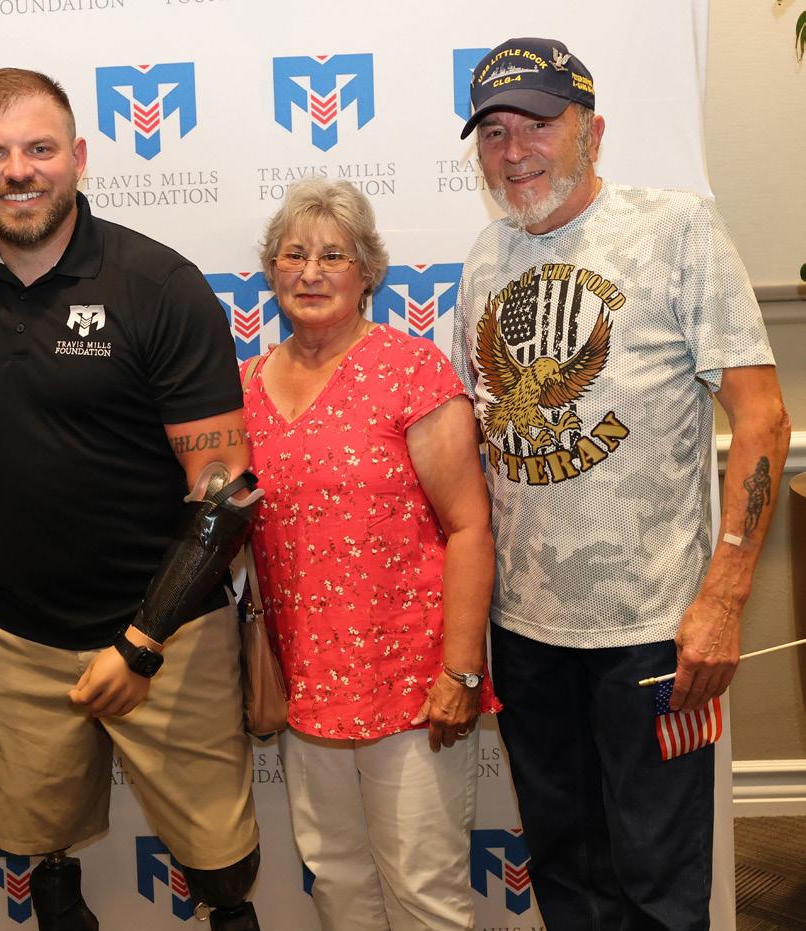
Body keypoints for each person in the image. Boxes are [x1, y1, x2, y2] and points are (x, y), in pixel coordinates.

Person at [452, 37, 792, 930]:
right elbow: (480, 445)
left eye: (537, 123)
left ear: (591, 131)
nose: (513, 150)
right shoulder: (483, 258)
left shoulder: (675, 229)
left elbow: (761, 417)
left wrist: (722, 598)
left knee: (657, 886)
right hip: (524, 635)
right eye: (493, 132)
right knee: (564, 874)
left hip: (651, 638)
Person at [0, 68, 262, 931]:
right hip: (20, 634)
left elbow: (224, 495)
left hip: (169, 631)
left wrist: (141, 643)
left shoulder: (159, 284)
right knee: (36, 848)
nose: (17, 171)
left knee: (224, 867)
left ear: (77, 156)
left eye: (38, 148)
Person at [240, 178, 497, 931]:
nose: (310, 272)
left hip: (412, 685)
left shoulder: (413, 369)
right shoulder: (244, 385)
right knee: (337, 881)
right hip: (304, 685)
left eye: (333, 256)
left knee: (424, 889)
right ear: (272, 270)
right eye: (294, 254)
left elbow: (469, 528)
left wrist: (460, 671)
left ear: (367, 273)